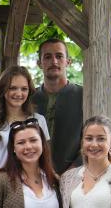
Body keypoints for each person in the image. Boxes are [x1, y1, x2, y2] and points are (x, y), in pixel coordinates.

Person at [0, 66, 50, 178]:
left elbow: (46, 162)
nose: (19, 94)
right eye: (13, 88)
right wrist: (19, 177)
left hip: (37, 183)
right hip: (6, 182)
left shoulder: (39, 120)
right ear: (3, 89)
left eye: (24, 89)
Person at [34, 38, 83, 174]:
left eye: (59, 56)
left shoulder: (84, 96)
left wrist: (72, 172)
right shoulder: (29, 98)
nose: (54, 61)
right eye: (47, 57)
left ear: (68, 61)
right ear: (39, 63)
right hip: (34, 177)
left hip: (78, 175)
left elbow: (96, 138)